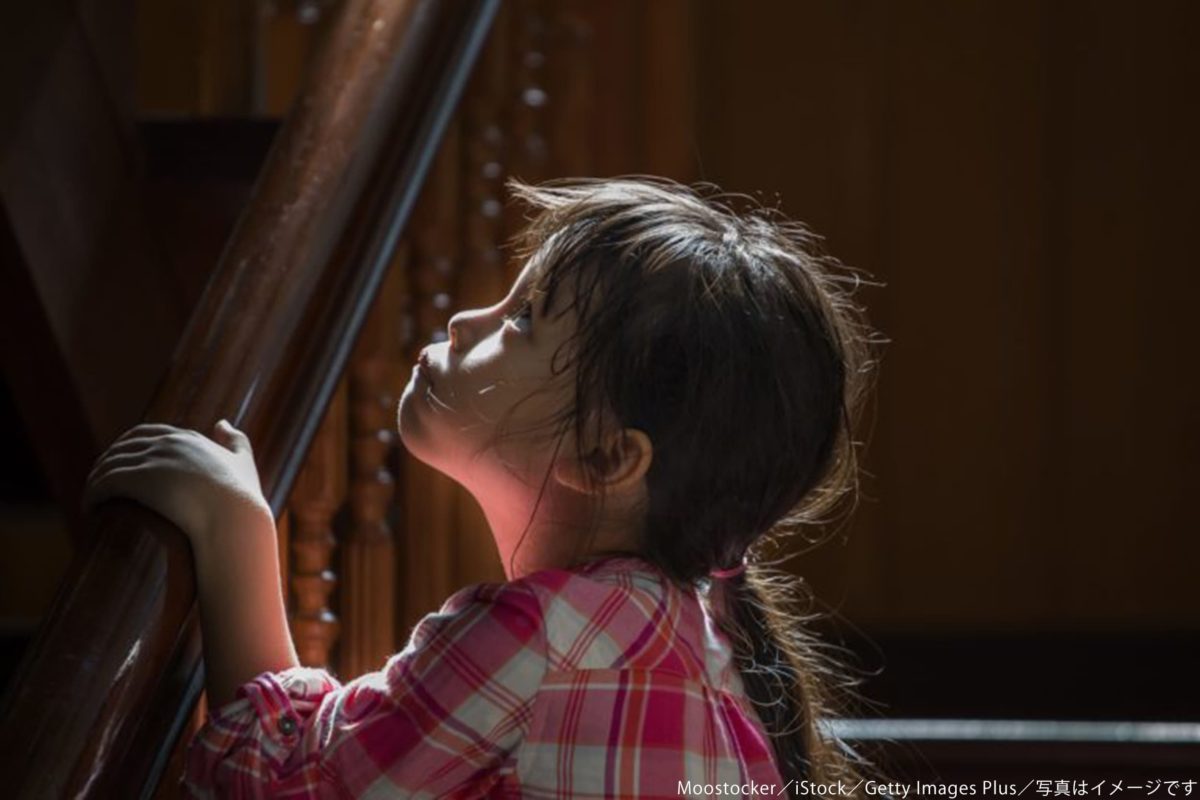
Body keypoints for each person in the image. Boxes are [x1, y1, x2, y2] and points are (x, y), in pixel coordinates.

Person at [83, 175, 886, 798]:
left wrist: (234, 537)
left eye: (524, 320)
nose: (466, 319)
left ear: (607, 458)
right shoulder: (694, 643)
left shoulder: (541, 638)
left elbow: (282, 784)